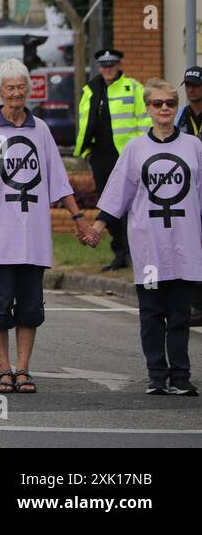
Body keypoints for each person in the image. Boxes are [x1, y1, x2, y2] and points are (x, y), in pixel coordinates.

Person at [0, 58, 87, 395]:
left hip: (33, 240)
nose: (15, 94)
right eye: (9, 88)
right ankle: (3, 368)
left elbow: (59, 180)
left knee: (29, 309)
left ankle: (23, 369)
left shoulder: (41, 131)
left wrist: (80, 220)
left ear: (28, 91)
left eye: (21, 88)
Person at [91, 78, 202, 395]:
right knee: (153, 313)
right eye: (158, 104)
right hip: (149, 246)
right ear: (148, 108)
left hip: (184, 244)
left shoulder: (194, 147)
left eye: (170, 103)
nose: (164, 109)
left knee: (181, 314)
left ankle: (180, 376)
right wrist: (97, 228)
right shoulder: (135, 149)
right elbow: (117, 194)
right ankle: (157, 374)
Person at [75, 48, 149, 271]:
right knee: (109, 204)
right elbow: (84, 121)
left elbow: (144, 119)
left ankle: (132, 251)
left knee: (128, 205)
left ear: (118, 66)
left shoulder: (134, 87)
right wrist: (86, 152)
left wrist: (138, 150)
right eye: (104, 66)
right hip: (101, 156)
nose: (107, 69)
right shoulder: (90, 90)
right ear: (99, 67)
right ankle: (120, 252)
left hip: (127, 156)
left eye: (111, 65)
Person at [176, 66, 202, 326]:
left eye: (195, 85)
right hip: (187, 189)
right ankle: (196, 303)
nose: (191, 89)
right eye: (188, 85)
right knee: (191, 244)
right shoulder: (182, 116)